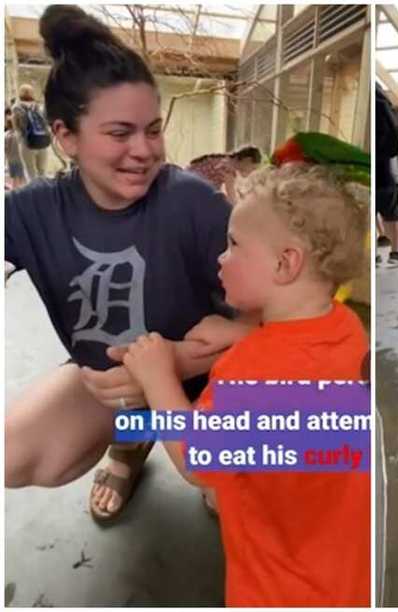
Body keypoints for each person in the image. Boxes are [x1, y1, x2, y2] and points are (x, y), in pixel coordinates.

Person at [4, 5, 250, 522]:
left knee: (234, 499)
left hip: (213, 381)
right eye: (120, 133)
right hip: (108, 386)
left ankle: (189, 444)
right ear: (66, 137)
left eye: (153, 129)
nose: (143, 150)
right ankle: (132, 442)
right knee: (17, 450)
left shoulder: (191, 200)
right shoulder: (32, 211)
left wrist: (183, 363)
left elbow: (280, 313)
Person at [120, 163, 370, 606]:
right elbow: (304, 365)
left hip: (280, 586)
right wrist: (243, 333)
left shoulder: (251, 372)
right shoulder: (347, 327)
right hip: (341, 564)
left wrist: (156, 377)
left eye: (233, 245)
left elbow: (197, 462)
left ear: (284, 262)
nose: (221, 257)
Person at [374, 83, 398, 267]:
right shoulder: (384, 106)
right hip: (385, 170)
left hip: (367, 170)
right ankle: (395, 253)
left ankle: (372, 255)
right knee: (392, 213)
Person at [11, 83, 53, 180]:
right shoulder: (38, 107)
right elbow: (46, 122)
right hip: (42, 142)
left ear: (20, 93)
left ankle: (33, 194)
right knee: (42, 172)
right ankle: (43, 192)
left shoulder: (16, 108)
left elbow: (16, 128)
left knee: (30, 172)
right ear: (32, 94)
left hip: (27, 144)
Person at [5, 108, 27, 189]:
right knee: (22, 180)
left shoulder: (6, 134)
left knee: (15, 179)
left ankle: (14, 194)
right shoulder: (19, 134)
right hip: (19, 160)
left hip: (11, 160)